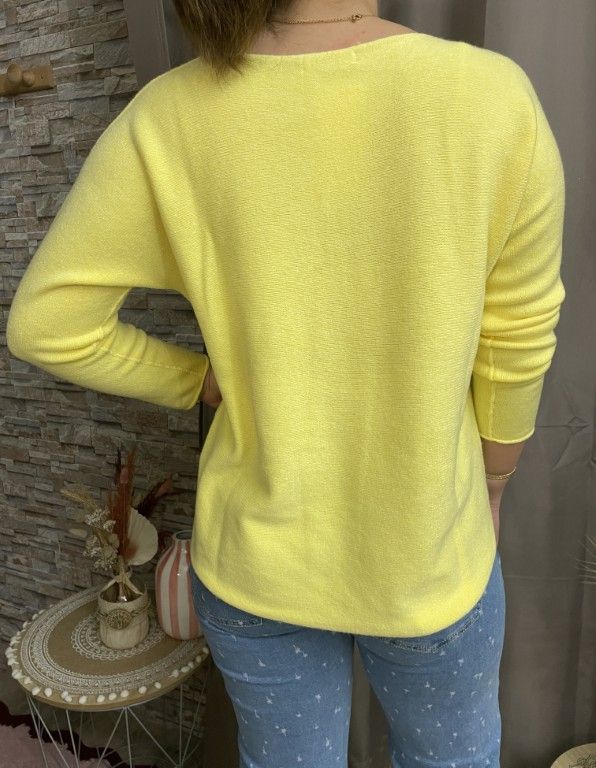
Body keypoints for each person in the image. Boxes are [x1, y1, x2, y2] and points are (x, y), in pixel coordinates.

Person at [5, 0, 566, 765]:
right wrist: (494, 482)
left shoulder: (168, 115)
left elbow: (46, 324)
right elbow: (517, 336)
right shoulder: (490, 96)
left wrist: (196, 379)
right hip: (429, 551)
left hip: (255, 562)